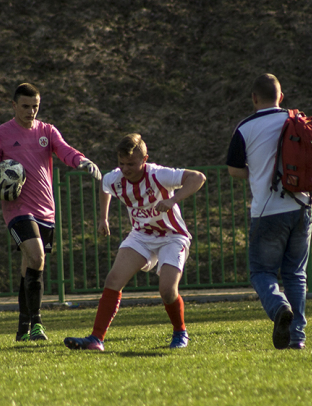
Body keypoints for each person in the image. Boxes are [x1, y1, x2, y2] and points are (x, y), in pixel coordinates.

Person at [64, 133, 206, 351]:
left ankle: (180, 332)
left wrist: (173, 199)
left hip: (172, 236)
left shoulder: (159, 175)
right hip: (141, 235)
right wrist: (103, 217)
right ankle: (96, 339)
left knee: (167, 290)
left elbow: (198, 177)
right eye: (121, 163)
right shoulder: (116, 178)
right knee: (113, 279)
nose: (125, 168)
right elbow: (104, 185)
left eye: (131, 163)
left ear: (144, 159)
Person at [0, 83, 101, 342]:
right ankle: (37, 324)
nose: (31, 111)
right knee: (36, 257)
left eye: (35, 106)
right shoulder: (0, 134)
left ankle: (22, 329)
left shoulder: (46, 131)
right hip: (17, 210)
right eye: (25, 106)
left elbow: (64, 150)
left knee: (31, 266)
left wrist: (81, 160)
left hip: (46, 209)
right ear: (14, 105)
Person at [226, 74, 312, 350]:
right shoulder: (296, 119)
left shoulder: (245, 128)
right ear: (281, 96)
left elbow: (234, 170)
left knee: (262, 271)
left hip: (267, 210)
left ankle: (278, 308)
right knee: (295, 273)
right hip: (301, 206)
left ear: (254, 98)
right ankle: (297, 337)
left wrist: (259, 172)